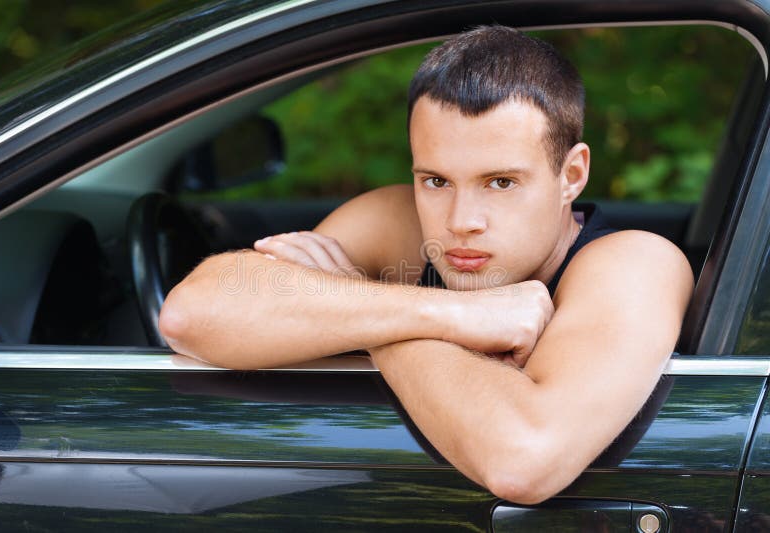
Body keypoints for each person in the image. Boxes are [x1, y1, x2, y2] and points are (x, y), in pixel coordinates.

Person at [158, 26, 693, 504]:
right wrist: (453, 316)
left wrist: (358, 300)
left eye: (500, 182)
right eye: (436, 180)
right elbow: (191, 314)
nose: (461, 221)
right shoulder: (398, 222)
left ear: (572, 175)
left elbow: (523, 461)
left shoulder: (635, 263)